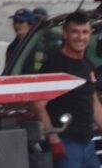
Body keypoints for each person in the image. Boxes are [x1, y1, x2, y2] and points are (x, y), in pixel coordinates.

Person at [33, 12, 102, 168]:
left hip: (88, 144)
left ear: (90, 34)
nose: (80, 37)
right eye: (75, 32)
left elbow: (93, 101)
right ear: (65, 33)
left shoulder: (87, 64)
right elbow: (38, 104)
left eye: (84, 32)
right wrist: (54, 140)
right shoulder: (54, 64)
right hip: (66, 143)